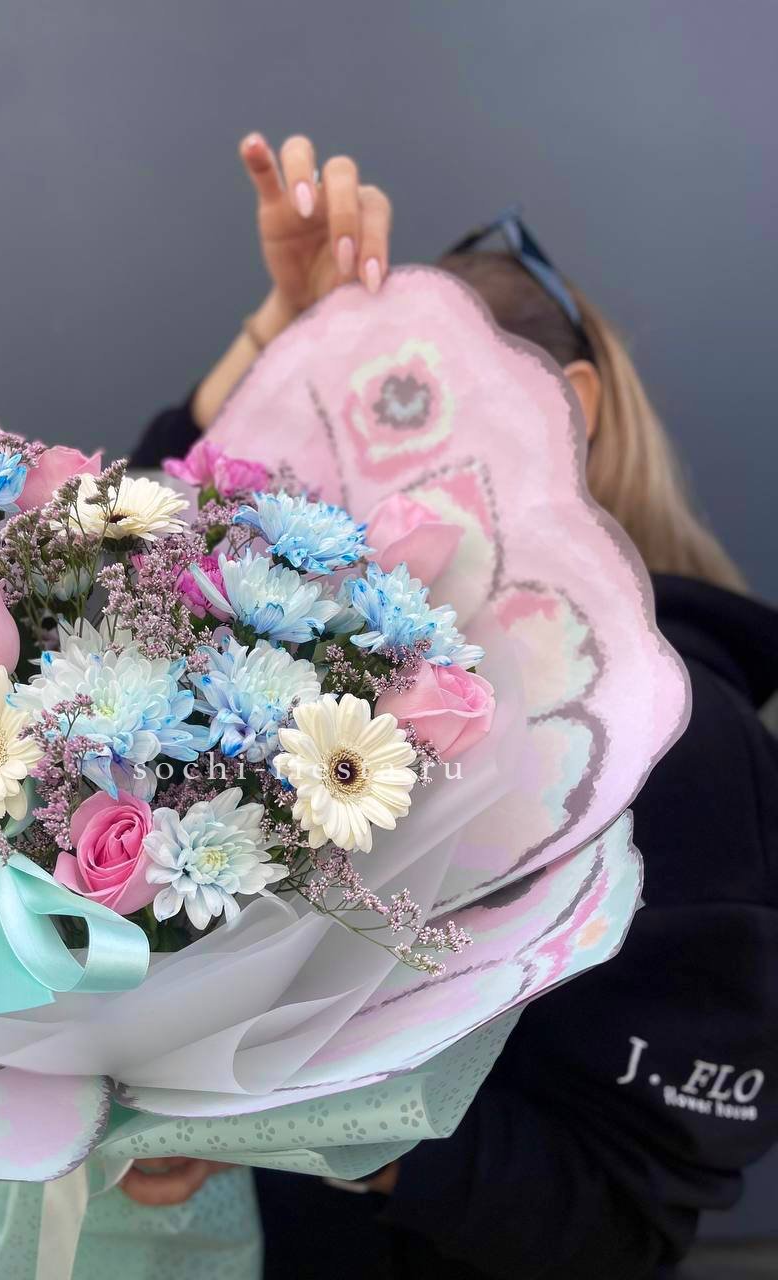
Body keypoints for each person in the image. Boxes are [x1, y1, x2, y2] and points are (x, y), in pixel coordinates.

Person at [125, 134, 778, 1279]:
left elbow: (625, 1211)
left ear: (567, 408)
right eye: (326, 414)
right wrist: (277, 329)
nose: (355, 471)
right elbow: (130, 570)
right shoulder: (328, 671)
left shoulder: (686, 756)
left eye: (407, 406)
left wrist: (329, 1125)